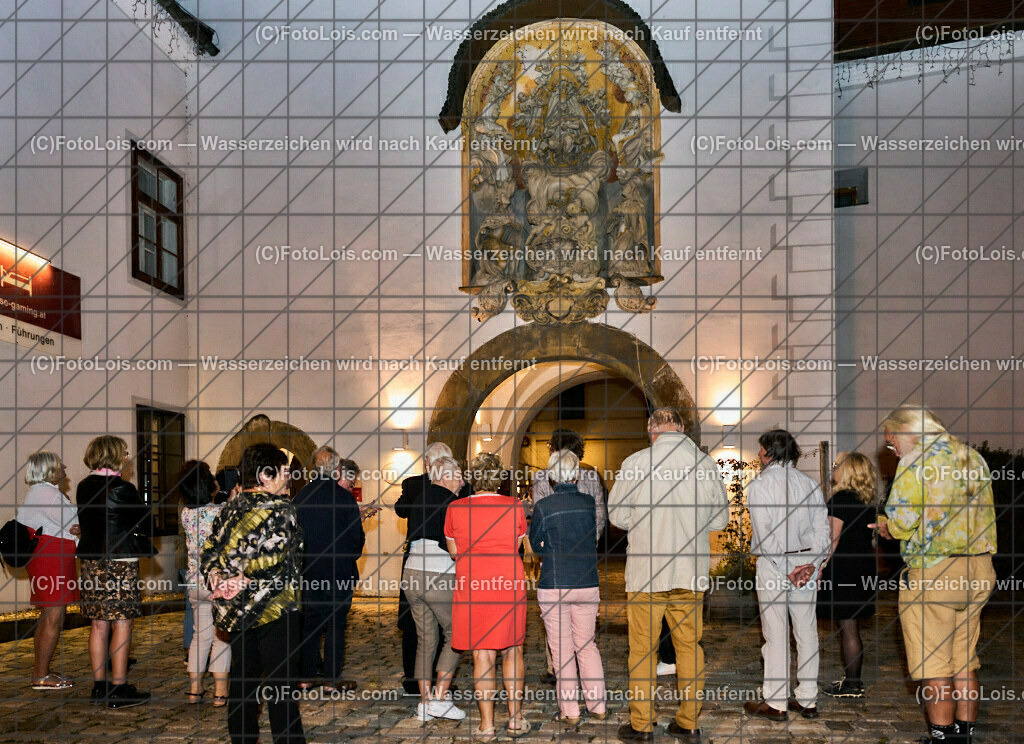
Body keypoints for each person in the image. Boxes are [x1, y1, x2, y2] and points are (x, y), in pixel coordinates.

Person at [872, 406, 997, 744]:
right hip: (979, 567)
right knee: (963, 659)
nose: (891, 449)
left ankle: (941, 736)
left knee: (933, 663)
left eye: (891, 440)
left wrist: (886, 527)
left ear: (910, 432)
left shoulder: (916, 462)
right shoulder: (972, 456)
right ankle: (963, 736)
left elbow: (902, 522)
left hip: (936, 572)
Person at [608, 408, 729, 744]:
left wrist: (643, 520)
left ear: (652, 431)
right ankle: (689, 722)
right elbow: (720, 520)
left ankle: (642, 725)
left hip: (646, 574)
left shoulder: (636, 463)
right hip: (689, 574)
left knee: (642, 651)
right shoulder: (704, 465)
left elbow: (617, 515)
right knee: (690, 647)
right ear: (681, 428)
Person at [201, 443, 306, 744]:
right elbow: (279, 557)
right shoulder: (282, 509)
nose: (287, 479)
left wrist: (219, 577)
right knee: (281, 689)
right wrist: (241, 576)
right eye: (283, 473)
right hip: (275, 610)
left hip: (236, 612)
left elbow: (208, 552)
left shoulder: (226, 509)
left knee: (243, 684)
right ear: (265, 475)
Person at [742, 429, 830, 722]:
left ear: (769, 453)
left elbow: (766, 537)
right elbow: (822, 531)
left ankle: (777, 702)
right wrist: (812, 565)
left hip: (775, 566)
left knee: (775, 634)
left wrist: (786, 569)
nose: (758, 455)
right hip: (805, 565)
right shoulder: (809, 484)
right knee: (807, 632)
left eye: (761, 450)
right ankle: (807, 699)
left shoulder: (760, 486)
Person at [445, 452, 529, 739]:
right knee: (513, 649)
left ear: (471, 477)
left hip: (474, 585)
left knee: (482, 654)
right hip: (507, 583)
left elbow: (455, 552)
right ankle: (516, 718)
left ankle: (486, 725)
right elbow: (517, 544)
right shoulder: (515, 506)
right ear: (499, 479)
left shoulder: (455, 508)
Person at [75, 435, 154, 708]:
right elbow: (146, 522)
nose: (126, 456)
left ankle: (99, 687)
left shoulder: (83, 487)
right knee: (123, 622)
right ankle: (119, 688)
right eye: (124, 452)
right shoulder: (122, 487)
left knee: (98, 624)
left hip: (90, 562)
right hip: (119, 562)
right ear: (114, 455)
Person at [529, 450, 607, 726]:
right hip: (586, 580)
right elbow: (595, 534)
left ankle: (570, 712)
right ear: (576, 474)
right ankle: (597, 705)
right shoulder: (588, 503)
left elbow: (535, 542)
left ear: (550, 476)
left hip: (554, 583)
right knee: (587, 645)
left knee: (562, 650)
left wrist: (546, 549)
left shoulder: (543, 507)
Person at [397, 441, 471, 695]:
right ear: (447, 477)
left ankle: (425, 700)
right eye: (459, 478)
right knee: (456, 634)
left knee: (426, 639)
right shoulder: (454, 503)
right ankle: (440, 694)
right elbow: (452, 546)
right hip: (438, 576)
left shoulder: (420, 498)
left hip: (412, 574)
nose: (462, 483)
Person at [294, 448, 365, 693]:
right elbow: (356, 539)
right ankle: (331, 680)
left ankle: (305, 677)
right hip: (339, 573)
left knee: (310, 625)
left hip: (309, 573)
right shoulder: (345, 498)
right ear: (336, 470)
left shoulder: (301, 497)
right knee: (336, 625)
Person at [816, 451, 879, 698]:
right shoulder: (866, 502)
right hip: (863, 568)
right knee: (851, 627)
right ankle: (853, 681)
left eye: (836, 465)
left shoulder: (840, 500)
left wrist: (818, 567)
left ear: (848, 470)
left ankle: (853, 685)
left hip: (844, 570)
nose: (833, 469)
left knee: (848, 628)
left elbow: (831, 540)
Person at [17, 451, 79, 690]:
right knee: (54, 617)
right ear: (49, 468)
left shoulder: (41, 492)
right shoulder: (47, 493)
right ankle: (41, 676)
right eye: (59, 464)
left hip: (49, 556)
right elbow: (75, 525)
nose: (63, 467)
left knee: (48, 617)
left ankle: (41, 671)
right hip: (52, 557)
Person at [176, 460, 231, 705]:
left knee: (200, 636)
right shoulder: (220, 512)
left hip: (195, 582)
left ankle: (195, 689)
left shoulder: (186, 513)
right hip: (216, 581)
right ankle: (220, 692)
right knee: (221, 637)